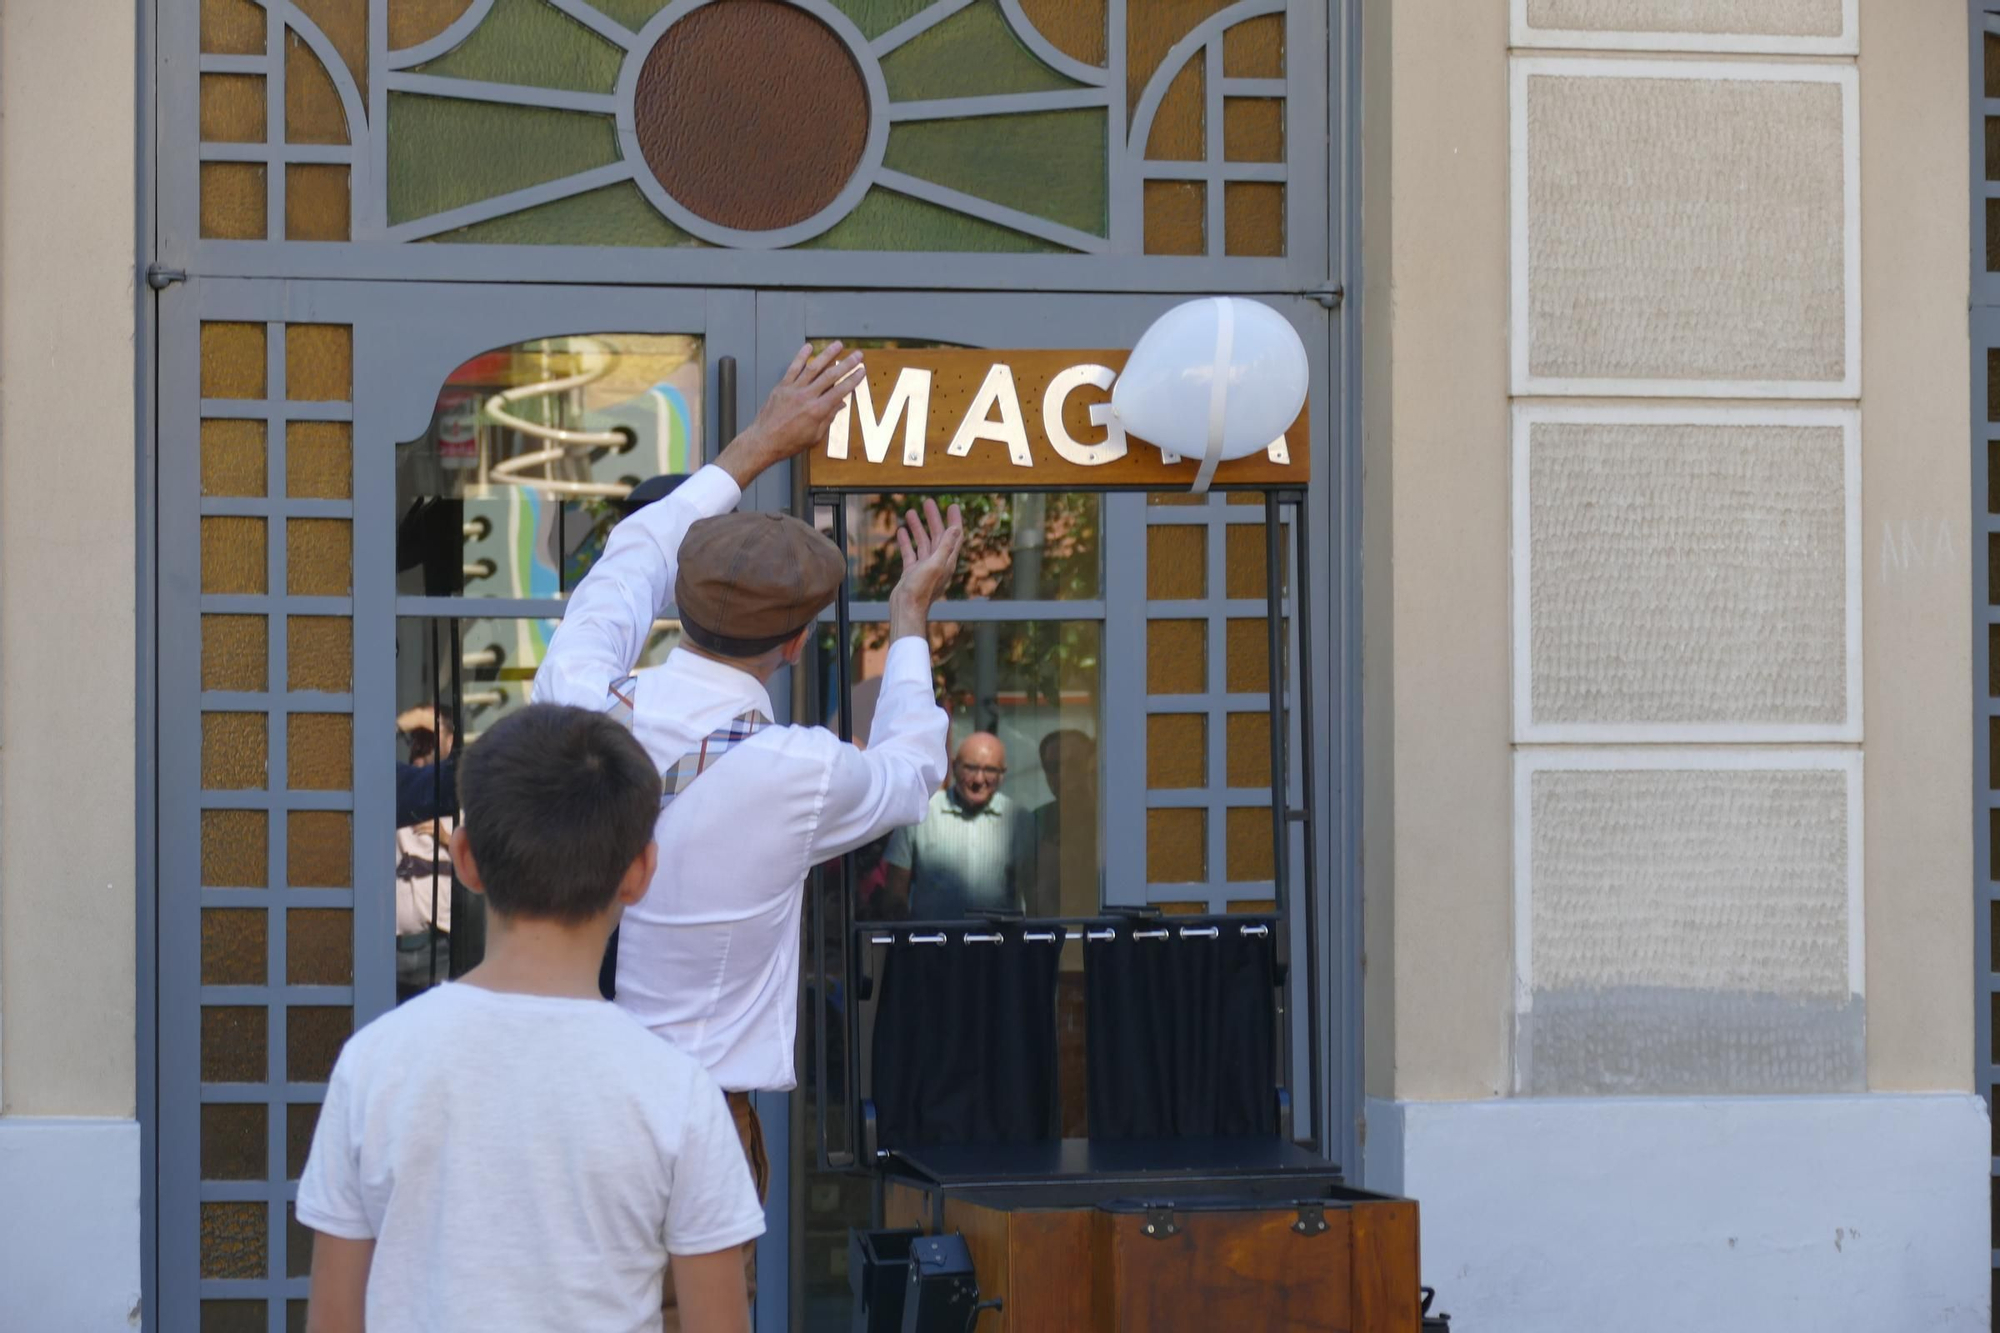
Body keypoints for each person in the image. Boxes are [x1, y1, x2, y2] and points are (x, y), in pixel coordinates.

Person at [530, 341, 963, 1322]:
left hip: (561, 1097)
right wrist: (905, 620)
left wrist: (756, 445)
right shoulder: (797, 772)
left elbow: (631, 555)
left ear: (679, 607)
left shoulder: (580, 695)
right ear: (797, 642)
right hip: (698, 1118)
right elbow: (910, 774)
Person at [297, 704, 764, 1333]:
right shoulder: (681, 1094)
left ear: (465, 859)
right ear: (640, 873)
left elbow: (333, 1319)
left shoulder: (374, 1063)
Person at [881, 732, 1037, 920]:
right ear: (954, 766)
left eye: (990, 770)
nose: (979, 780)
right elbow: (896, 891)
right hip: (934, 945)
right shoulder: (920, 814)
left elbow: (1034, 894)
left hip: (999, 945)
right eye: (970, 768)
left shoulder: (1020, 820)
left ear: (1003, 774)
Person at [393, 707, 454, 1000]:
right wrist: (406, 720)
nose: (419, 747)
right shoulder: (393, 790)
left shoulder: (458, 793)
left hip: (441, 948)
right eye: (414, 739)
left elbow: (490, 863)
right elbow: (357, 753)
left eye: (428, 738)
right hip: (392, 949)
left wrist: (447, 839)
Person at [1030, 728, 1099, 918]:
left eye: (1073, 764)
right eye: (1052, 767)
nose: (1063, 774)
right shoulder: (1035, 821)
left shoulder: (1109, 820)